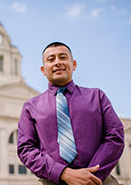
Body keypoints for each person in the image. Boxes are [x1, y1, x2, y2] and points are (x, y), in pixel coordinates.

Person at [17, 42, 125, 185]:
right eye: (51, 59)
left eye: (62, 57)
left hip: (99, 181)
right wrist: (62, 172)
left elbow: (115, 135)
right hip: (51, 181)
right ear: (43, 69)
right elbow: (26, 149)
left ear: (73, 64)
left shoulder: (97, 96)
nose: (57, 63)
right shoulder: (30, 107)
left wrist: (91, 176)